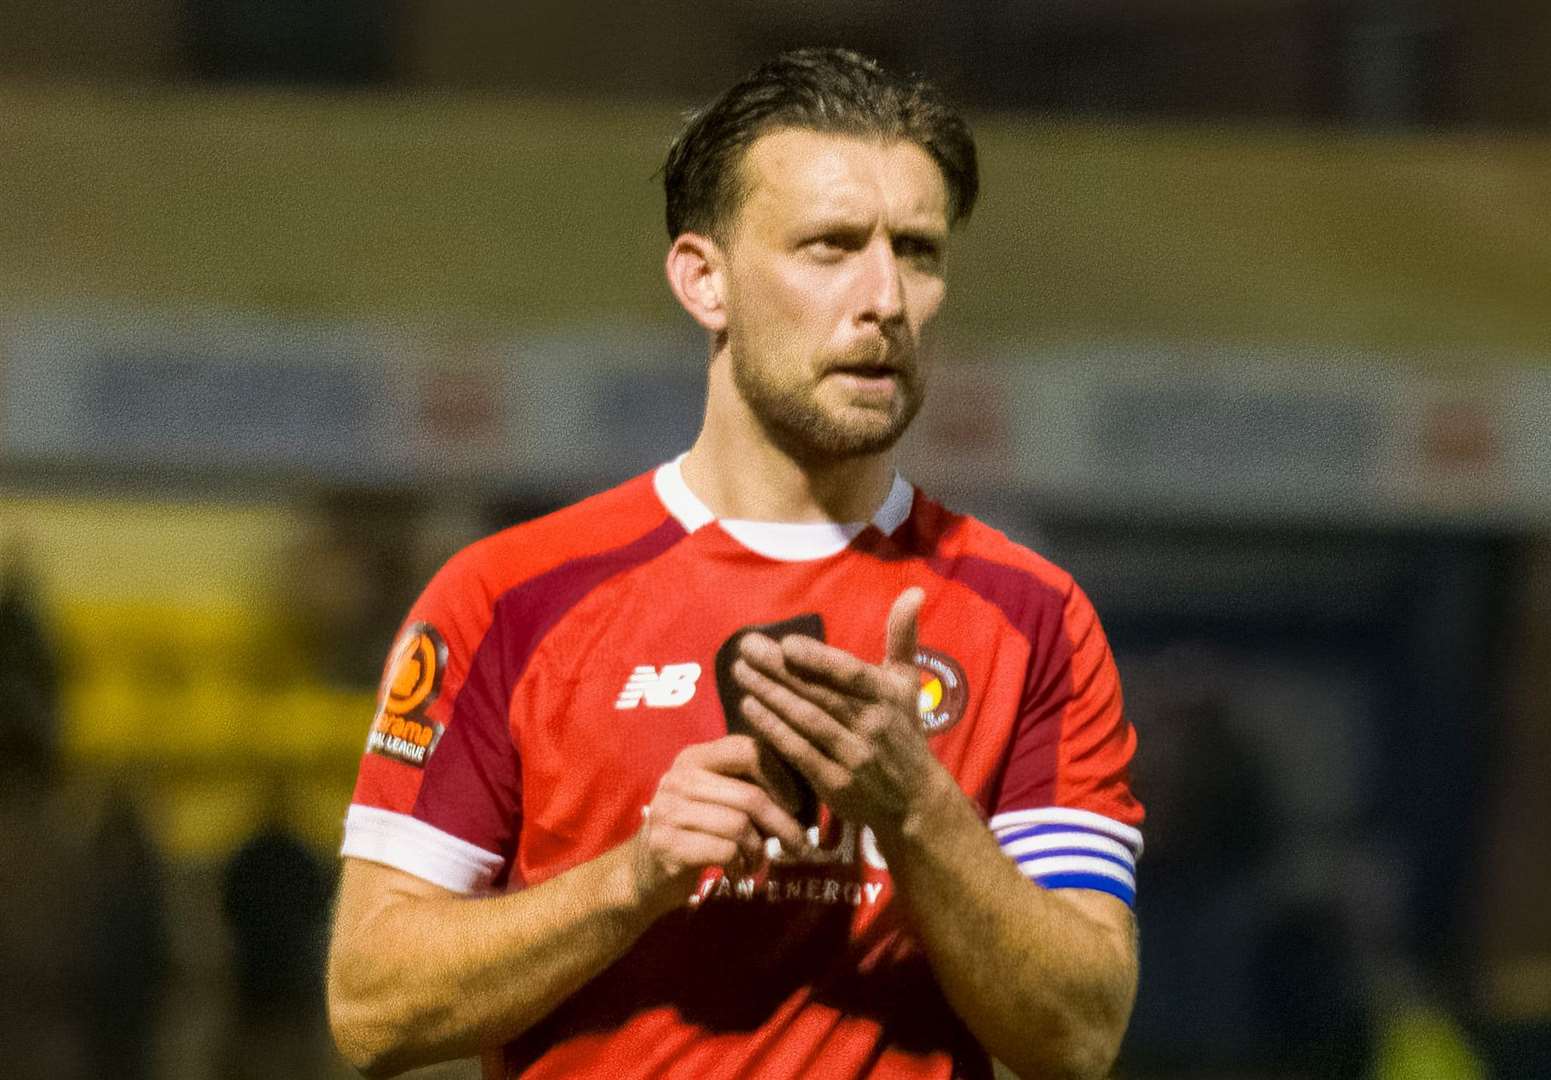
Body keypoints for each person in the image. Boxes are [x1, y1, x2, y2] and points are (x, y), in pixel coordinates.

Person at [327, 46, 1144, 1080]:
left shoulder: (1033, 618)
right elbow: (370, 1007)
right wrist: (639, 876)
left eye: (919, 251)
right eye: (831, 246)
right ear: (702, 279)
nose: (885, 297)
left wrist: (916, 810)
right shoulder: (510, 600)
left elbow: (1079, 1036)